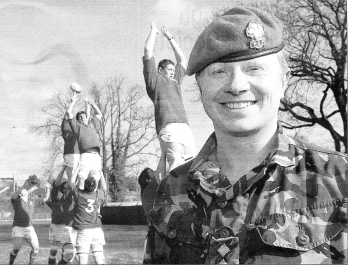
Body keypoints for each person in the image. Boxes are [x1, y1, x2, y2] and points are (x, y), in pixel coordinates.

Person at [144, 7, 348, 264]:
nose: (237, 85)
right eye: (219, 72)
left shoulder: (340, 179)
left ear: (284, 80)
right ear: (200, 87)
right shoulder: (172, 189)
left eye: (254, 69)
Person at [143, 21, 196, 184]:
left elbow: (183, 62)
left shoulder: (176, 81)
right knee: (176, 163)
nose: (173, 72)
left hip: (184, 126)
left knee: (192, 165)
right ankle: (173, 201)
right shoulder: (155, 80)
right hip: (168, 126)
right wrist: (153, 32)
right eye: (169, 70)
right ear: (160, 70)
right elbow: (147, 51)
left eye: (174, 70)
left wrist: (171, 38)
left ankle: (188, 201)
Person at [64, 170, 107, 265]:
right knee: (99, 260)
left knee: (83, 261)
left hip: (84, 231)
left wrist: (76, 170)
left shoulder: (79, 194)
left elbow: (71, 184)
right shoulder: (98, 194)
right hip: (97, 230)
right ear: (95, 186)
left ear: (84, 185)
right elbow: (104, 188)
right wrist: (101, 174)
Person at [9, 175, 51, 265]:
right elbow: (15, 194)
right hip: (18, 227)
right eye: (23, 190)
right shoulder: (16, 199)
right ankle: (10, 263)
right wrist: (25, 185)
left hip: (29, 227)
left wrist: (48, 188)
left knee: (36, 248)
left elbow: (46, 199)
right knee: (16, 248)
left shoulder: (32, 198)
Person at [66, 92, 103, 189]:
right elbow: (69, 113)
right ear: (78, 121)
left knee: (95, 178)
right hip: (85, 155)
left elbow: (99, 114)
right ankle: (81, 199)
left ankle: (94, 203)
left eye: (83, 116)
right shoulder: (77, 127)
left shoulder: (92, 124)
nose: (82, 118)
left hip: (96, 156)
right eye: (80, 118)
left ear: (87, 117)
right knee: (82, 176)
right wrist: (73, 102)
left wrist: (91, 103)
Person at [46, 166, 77, 265]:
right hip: (55, 227)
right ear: (64, 189)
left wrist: (64, 169)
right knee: (53, 252)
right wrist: (65, 169)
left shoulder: (70, 198)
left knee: (68, 255)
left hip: (65, 228)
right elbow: (57, 183)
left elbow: (70, 183)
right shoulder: (55, 196)